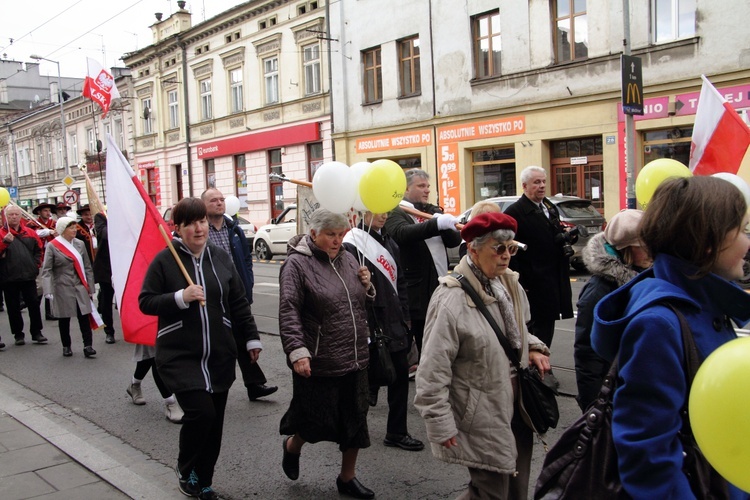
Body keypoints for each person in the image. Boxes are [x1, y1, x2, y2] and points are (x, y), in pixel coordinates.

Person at [592, 176, 750, 498]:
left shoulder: (705, 305)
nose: (749, 242)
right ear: (708, 242)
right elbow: (647, 456)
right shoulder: (660, 325)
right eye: (744, 230)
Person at [414, 212, 551, 500]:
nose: (506, 256)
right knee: (489, 492)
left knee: (515, 487)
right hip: (481, 409)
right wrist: (439, 420)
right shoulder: (451, 298)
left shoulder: (507, 283)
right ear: (473, 249)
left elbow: (515, 330)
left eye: (510, 248)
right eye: (498, 248)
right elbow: (432, 368)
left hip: (518, 405)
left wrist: (534, 347)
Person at [139, 197, 263, 500]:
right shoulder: (165, 260)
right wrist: (180, 297)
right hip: (181, 355)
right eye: (191, 223)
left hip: (219, 353)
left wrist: (251, 337)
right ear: (178, 228)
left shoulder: (220, 258)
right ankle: (185, 467)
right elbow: (146, 301)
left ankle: (203, 481)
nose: (199, 228)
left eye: (203, 221)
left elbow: (237, 303)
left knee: (216, 423)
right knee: (202, 414)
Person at [278, 209, 376, 499]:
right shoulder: (296, 264)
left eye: (340, 234)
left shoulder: (347, 258)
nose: (337, 240)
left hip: (356, 354)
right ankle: (293, 445)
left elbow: (360, 303)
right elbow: (289, 309)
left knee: (356, 419)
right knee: (316, 421)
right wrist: (297, 351)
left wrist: (367, 285)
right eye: (330, 235)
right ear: (313, 234)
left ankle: (347, 477)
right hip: (320, 356)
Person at [343, 211, 424, 452]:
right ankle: (349, 431)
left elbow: (401, 283)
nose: (384, 215)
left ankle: (397, 432)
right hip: (370, 323)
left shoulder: (390, 242)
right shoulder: (352, 243)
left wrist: (406, 316)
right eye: (377, 210)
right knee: (362, 382)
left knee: (399, 377)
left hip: (395, 322)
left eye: (386, 210)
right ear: (362, 212)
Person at [201, 188, 278, 401]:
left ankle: (254, 384)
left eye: (221, 199)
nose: (219, 203)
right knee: (219, 341)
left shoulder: (234, 229)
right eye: (213, 200)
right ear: (204, 205)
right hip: (213, 295)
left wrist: (248, 283)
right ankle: (210, 385)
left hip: (235, 293)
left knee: (243, 335)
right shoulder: (201, 231)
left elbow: (246, 259)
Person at [573, 209, 651, 411]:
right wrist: (593, 407)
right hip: (614, 397)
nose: (651, 252)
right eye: (643, 246)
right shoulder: (600, 291)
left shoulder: (645, 277)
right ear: (626, 249)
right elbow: (587, 355)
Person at [384, 169, 461, 359]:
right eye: (421, 186)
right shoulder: (396, 210)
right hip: (413, 291)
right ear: (406, 189)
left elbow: (453, 241)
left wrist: (445, 223)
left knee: (436, 347)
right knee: (412, 344)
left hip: (437, 285)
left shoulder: (431, 210)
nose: (426, 190)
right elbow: (401, 233)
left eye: (427, 186)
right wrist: (436, 225)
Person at [504, 166, 575, 350]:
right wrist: (519, 281)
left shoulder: (549, 207)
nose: (542, 186)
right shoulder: (514, 213)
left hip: (552, 277)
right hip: (532, 281)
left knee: (547, 324)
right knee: (534, 327)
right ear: (524, 186)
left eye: (543, 181)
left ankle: (543, 363)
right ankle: (535, 368)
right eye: (537, 182)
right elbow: (511, 251)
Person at [40, 216, 97, 358]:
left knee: (84, 316)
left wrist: (90, 287)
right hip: (61, 286)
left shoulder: (79, 244)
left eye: (74, 227)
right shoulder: (53, 246)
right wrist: (48, 290)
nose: (74, 230)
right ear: (62, 230)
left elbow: (87, 266)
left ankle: (88, 346)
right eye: (71, 228)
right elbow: (47, 269)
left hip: (79, 285)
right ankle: (66, 346)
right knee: (64, 318)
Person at [0, 205, 47, 346]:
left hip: (28, 275)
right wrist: (5, 243)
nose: (14, 217)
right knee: (13, 307)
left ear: (20, 216)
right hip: (9, 277)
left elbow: (39, 250)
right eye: (11, 215)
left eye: (16, 214)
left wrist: (35, 265)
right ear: (6, 217)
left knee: (33, 304)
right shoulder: (2, 234)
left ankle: (37, 332)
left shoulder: (30, 233)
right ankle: (18, 334)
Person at [93, 212, 116, 344]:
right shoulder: (101, 217)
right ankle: (109, 331)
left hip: (122, 265)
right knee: (107, 301)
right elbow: (105, 234)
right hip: (106, 267)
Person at [33, 202, 58, 320]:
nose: (48, 213)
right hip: (40, 258)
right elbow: (35, 234)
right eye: (45, 211)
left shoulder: (54, 224)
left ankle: (49, 312)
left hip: (52, 257)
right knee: (40, 287)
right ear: (39, 212)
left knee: (50, 285)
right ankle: (35, 310)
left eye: (49, 211)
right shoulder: (33, 223)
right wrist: (49, 232)